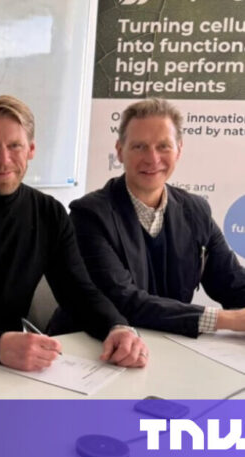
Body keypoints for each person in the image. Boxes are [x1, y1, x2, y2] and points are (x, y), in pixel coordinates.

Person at [0, 95, 148, 372]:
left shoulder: (49, 213)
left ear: (31, 149)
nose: (3, 159)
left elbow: (79, 292)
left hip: (14, 363)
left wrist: (117, 327)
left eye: (15, 146)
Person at [54, 98, 245, 337]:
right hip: (91, 347)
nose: (152, 159)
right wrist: (226, 320)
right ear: (120, 151)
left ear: (179, 150)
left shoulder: (196, 211)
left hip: (166, 345)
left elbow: (232, 283)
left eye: (163, 146)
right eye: (139, 146)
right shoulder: (89, 215)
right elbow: (124, 302)